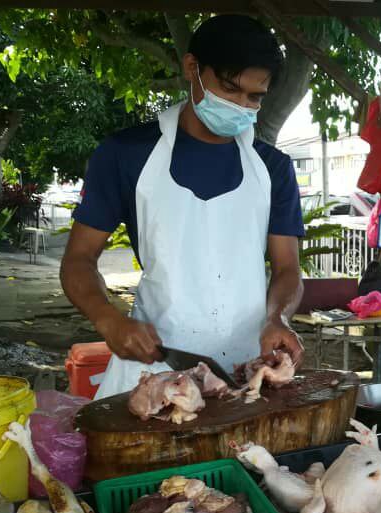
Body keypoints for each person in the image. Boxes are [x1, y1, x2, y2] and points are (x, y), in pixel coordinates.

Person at [61, 15, 305, 399]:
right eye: (229, 89)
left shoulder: (273, 169)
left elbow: (288, 268)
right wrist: (108, 319)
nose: (241, 105)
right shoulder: (125, 155)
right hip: (155, 368)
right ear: (192, 68)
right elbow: (78, 259)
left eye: (255, 97)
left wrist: (278, 317)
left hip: (248, 371)